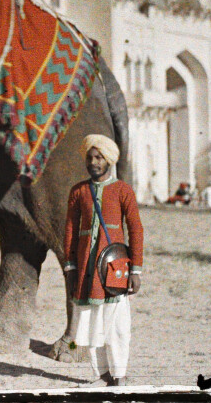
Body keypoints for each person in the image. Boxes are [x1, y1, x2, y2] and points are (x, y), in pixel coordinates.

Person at [63, 134, 144, 387]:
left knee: (118, 325)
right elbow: (70, 230)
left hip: (115, 267)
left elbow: (136, 229)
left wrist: (136, 270)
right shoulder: (78, 191)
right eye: (90, 157)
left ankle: (119, 375)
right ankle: (102, 375)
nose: (93, 162)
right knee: (90, 323)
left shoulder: (123, 190)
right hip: (86, 268)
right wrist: (70, 266)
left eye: (99, 157)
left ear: (109, 160)